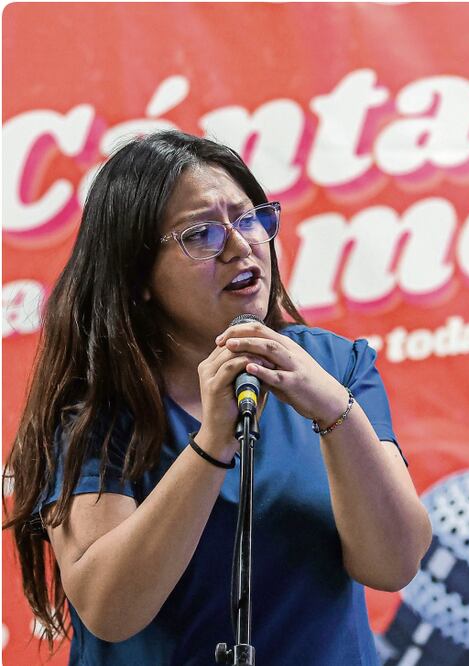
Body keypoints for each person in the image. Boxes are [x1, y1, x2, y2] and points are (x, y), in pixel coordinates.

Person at [3, 131, 432, 664]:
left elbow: (393, 566)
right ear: (138, 278)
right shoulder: (95, 411)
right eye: (201, 234)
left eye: (249, 217)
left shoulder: (338, 367)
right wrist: (211, 446)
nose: (240, 245)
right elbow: (109, 609)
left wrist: (333, 411)